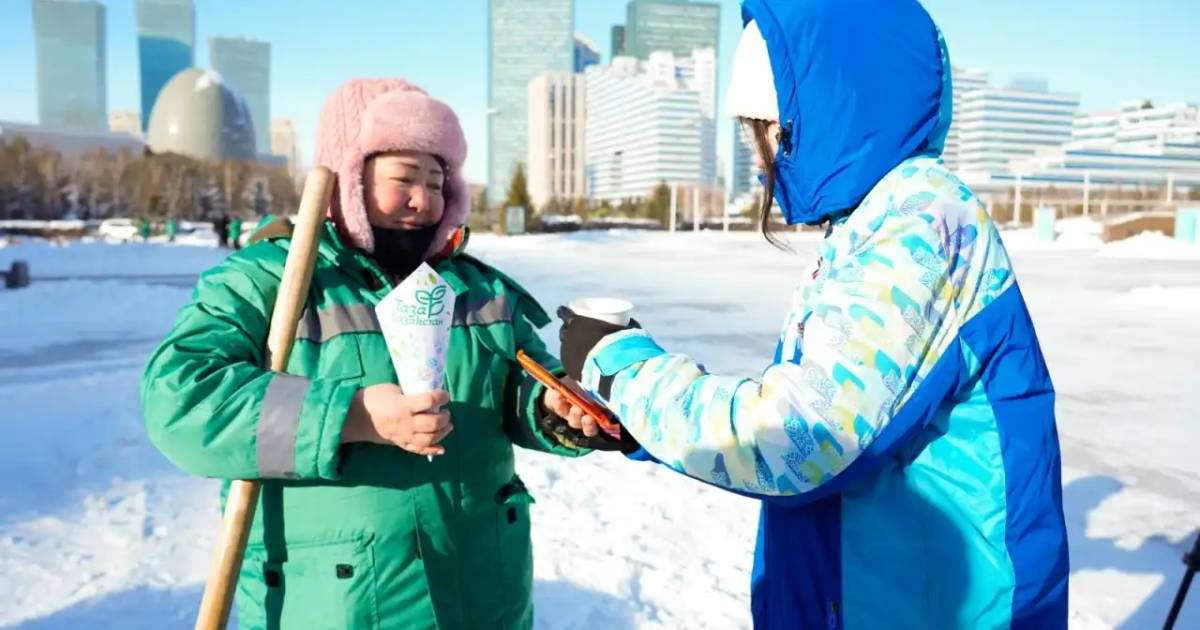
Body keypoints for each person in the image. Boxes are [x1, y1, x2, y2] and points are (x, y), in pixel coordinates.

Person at [557, 1, 1070, 628]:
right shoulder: (875, 224)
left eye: (764, 130)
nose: (764, 155)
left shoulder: (919, 225)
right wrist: (639, 424)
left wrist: (620, 368)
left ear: (809, 116)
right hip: (865, 592)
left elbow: (803, 437)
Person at [142, 78, 614, 629]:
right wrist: (350, 417)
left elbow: (521, 385)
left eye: (437, 182)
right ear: (347, 178)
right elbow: (179, 400)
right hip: (331, 607)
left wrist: (552, 409)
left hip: (483, 600)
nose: (423, 202)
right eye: (403, 179)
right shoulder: (268, 281)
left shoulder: (478, 290)